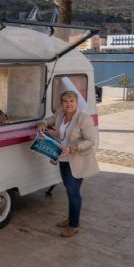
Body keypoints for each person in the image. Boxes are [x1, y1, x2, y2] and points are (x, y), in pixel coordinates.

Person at [38, 90, 99, 237]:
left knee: (73, 192)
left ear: (76, 103)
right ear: (62, 103)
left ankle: (73, 225)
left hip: (77, 160)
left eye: (71, 101)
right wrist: (43, 123)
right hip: (63, 158)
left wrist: (73, 147)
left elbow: (91, 141)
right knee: (69, 189)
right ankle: (71, 218)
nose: (68, 104)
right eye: (65, 101)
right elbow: (50, 119)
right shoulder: (60, 113)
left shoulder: (83, 118)